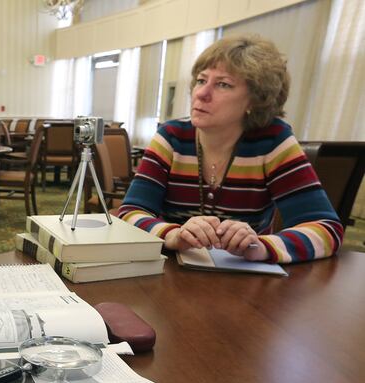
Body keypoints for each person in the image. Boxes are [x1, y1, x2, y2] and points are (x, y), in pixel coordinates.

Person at [118, 35, 342, 263]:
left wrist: (261, 246)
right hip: (173, 275)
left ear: (255, 100)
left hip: (248, 282)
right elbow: (129, 214)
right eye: (201, 80)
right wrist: (174, 234)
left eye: (223, 84)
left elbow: (327, 230)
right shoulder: (172, 137)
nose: (201, 94)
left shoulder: (273, 140)